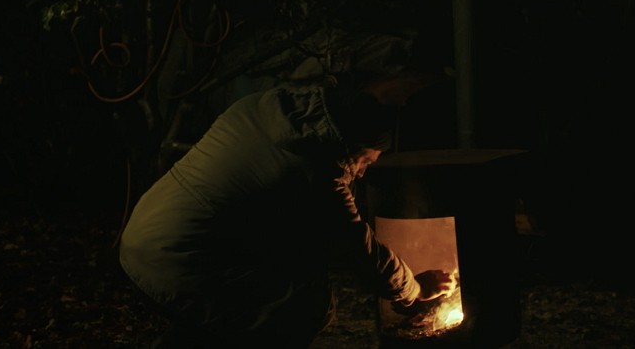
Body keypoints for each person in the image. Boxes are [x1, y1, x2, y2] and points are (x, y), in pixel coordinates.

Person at [119, 74, 455, 348]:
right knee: (303, 304)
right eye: (367, 160)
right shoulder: (317, 168)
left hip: (142, 238)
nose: (364, 172)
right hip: (179, 258)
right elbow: (357, 249)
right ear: (352, 143)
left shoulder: (260, 107)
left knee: (248, 294)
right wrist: (414, 290)